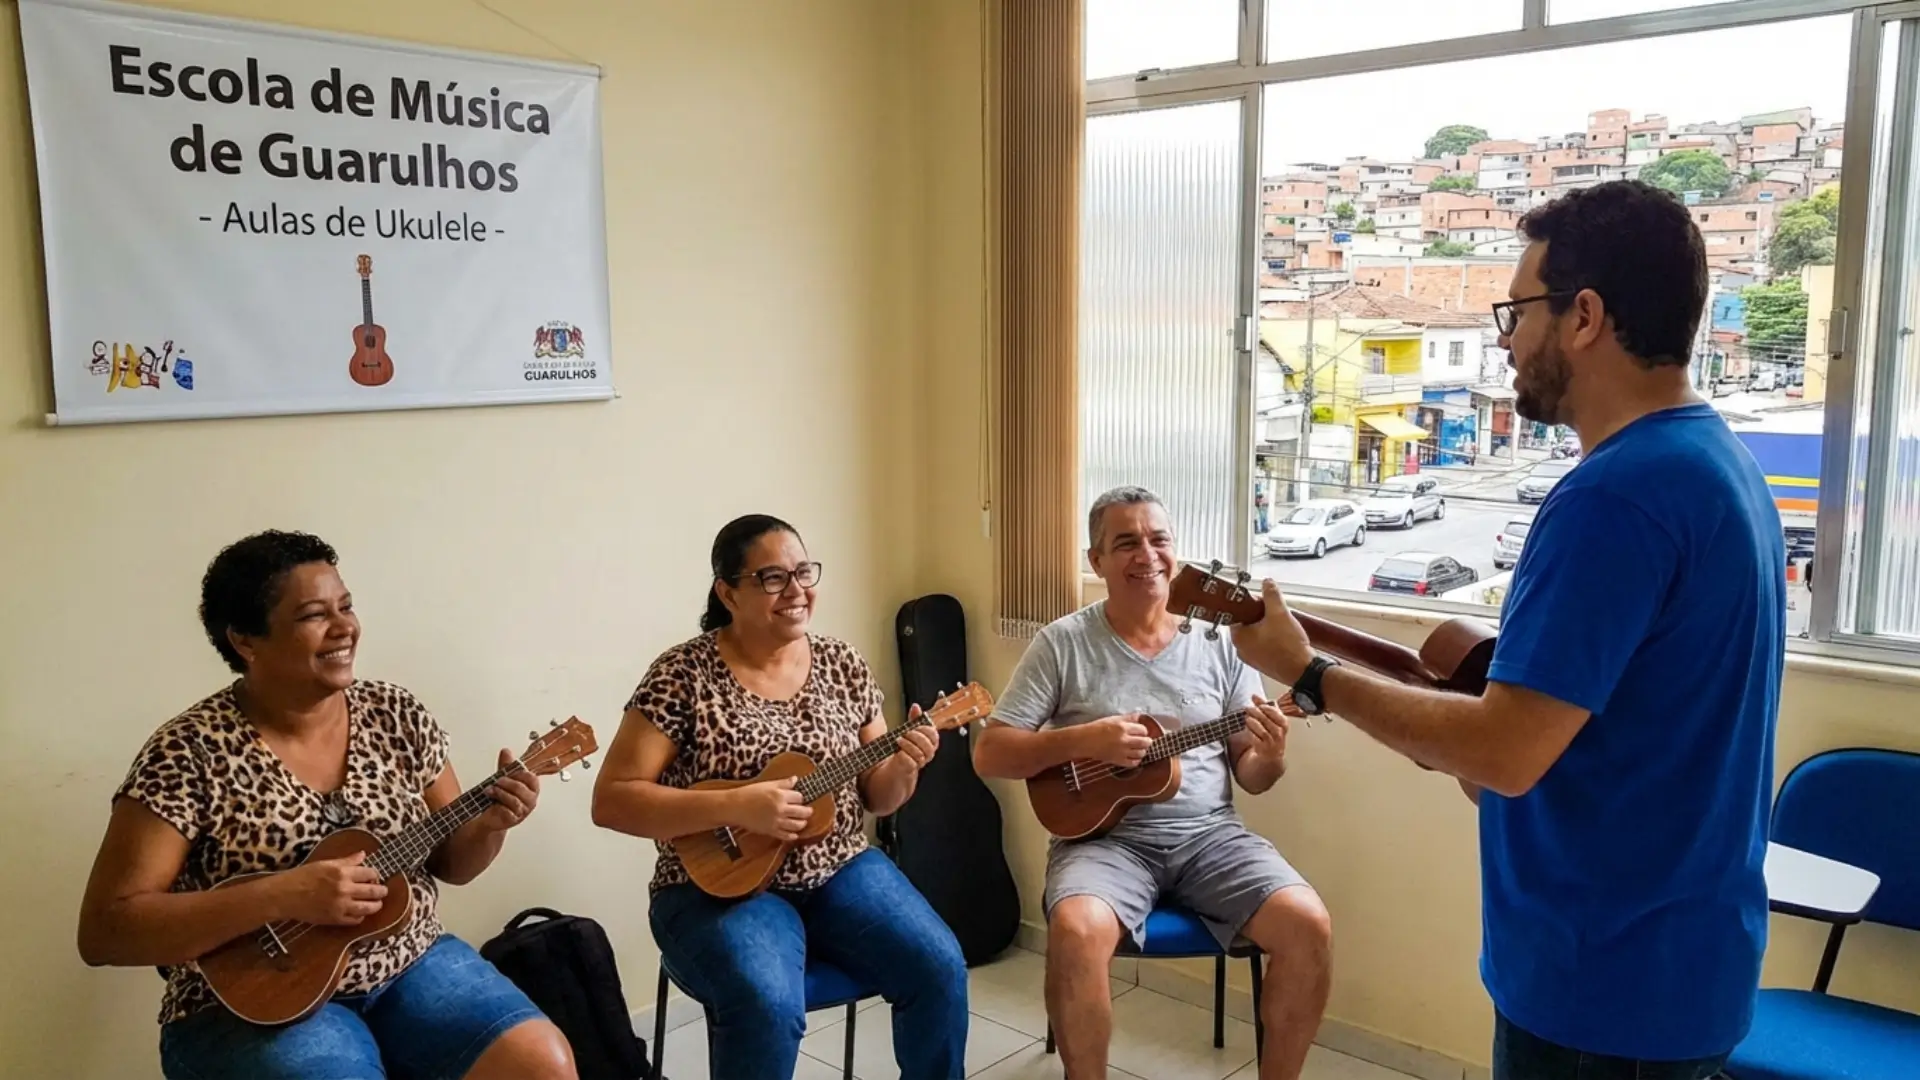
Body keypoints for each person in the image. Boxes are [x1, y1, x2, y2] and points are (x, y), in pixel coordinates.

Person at [1232, 180, 1784, 1080]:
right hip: (1678, 966)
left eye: (1518, 310)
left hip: (1601, 988)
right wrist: (1461, 745)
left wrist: (1308, 673)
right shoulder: (1717, 464)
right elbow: (1597, 739)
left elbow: (1506, 751)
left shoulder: (1615, 497)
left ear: (1585, 317)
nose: (1506, 340)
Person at [76, 530, 575, 1080]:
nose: (345, 628)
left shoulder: (397, 713)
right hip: (247, 1004)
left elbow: (452, 865)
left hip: (407, 962)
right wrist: (286, 893)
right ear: (245, 639)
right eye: (315, 615)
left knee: (542, 1061)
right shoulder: (189, 751)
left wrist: (490, 825)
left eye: (347, 606)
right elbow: (106, 930)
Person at [972, 487, 1333, 1080]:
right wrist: (1083, 741)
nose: (1147, 554)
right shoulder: (1062, 643)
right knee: (1076, 929)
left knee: (1307, 924)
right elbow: (991, 753)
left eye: (1159, 539)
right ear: (1097, 561)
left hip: (1210, 836)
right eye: (1126, 542)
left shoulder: (1222, 642)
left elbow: (1252, 773)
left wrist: (1270, 756)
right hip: (1101, 843)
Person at [591, 514, 969, 1078]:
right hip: (714, 888)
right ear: (727, 591)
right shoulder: (683, 675)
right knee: (766, 1004)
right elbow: (612, 800)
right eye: (772, 578)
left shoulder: (842, 665)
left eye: (804, 572)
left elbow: (878, 796)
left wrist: (907, 764)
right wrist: (737, 805)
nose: (796, 591)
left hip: (839, 868)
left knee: (939, 966)